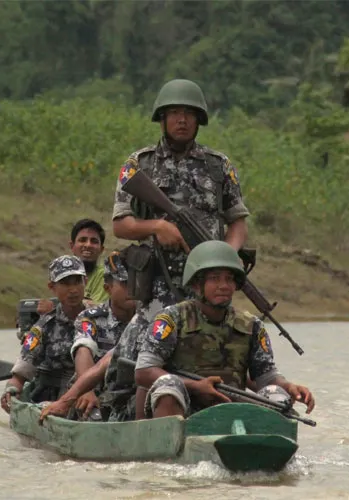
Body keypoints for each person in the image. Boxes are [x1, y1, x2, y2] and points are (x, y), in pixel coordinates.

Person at [102, 78, 252, 421]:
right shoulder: (139, 164)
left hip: (206, 282)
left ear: (199, 120)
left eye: (189, 114)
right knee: (144, 355)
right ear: (162, 118)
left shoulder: (218, 165)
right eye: (174, 113)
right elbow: (121, 225)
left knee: (220, 348)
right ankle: (139, 425)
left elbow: (238, 222)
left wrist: (224, 257)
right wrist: (157, 226)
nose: (182, 120)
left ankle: (220, 414)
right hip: (158, 281)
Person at [134, 240, 315, 419]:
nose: (224, 286)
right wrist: (195, 386)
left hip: (232, 410)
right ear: (196, 284)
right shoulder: (172, 319)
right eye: (215, 278)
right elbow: (144, 372)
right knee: (168, 385)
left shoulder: (251, 325)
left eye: (229, 279)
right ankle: (171, 438)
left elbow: (265, 377)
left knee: (278, 396)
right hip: (184, 408)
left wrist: (289, 387)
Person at [1, 255, 87, 413]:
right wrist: (10, 391)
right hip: (53, 400)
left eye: (77, 282)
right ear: (52, 287)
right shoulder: (42, 327)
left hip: (91, 395)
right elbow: (20, 373)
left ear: (85, 282)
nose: (73, 290)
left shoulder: (100, 318)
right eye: (65, 283)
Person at [67, 250, 137, 419]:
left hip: (135, 395)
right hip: (99, 397)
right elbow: (83, 349)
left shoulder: (149, 317)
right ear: (108, 288)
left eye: (136, 282)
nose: (132, 289)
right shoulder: (91, 318)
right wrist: (87, 390)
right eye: (125, 283)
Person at [32, 219, 109, 320]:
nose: (88, 245)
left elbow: (99, 311)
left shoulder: (107, 276)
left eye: (94, 241)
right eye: (83, 240)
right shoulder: (57, 272)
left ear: (101, 249)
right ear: (72, 246)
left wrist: (55, 309)